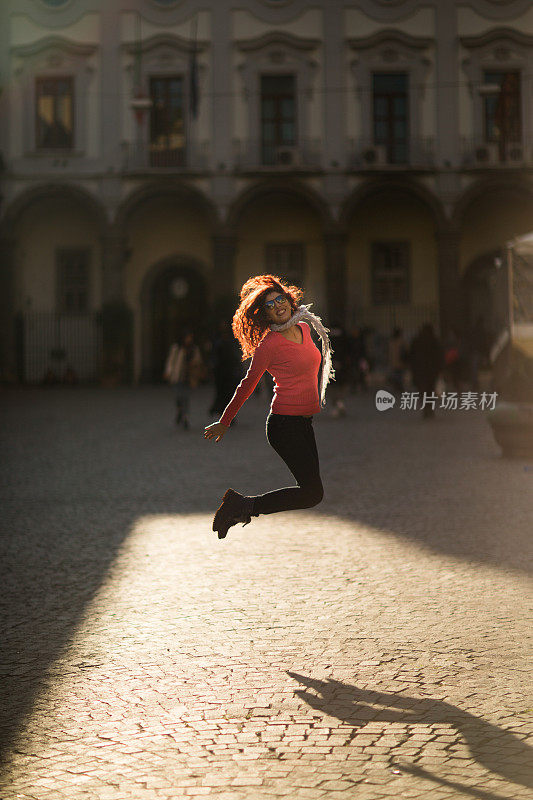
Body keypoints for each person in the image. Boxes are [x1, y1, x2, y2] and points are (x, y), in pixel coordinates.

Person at [204, 274, 335, 540]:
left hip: (303, 422)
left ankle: (241, 506)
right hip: (284, 425)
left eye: (280, 299)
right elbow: (248, 384)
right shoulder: (269, 345)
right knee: (312, 493)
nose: (277, 305)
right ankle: (241, 505)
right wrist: (225, 421)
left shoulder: (306, 328)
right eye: (269, 305)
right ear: (264, 315)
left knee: (312, 492)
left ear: (289, 298)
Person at [164, 331, 204, 430]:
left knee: (185, 397)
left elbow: (198, 361)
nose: (188, 340)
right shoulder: (176, 348)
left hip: (189, 377)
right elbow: (171, 361)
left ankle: (185, 417)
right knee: (178, 396)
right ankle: (180, 412)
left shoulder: (194, 349)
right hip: (178, 376)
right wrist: (168, 372)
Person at [408, 323, 445, 419]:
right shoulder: (434, 341)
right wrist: (440, 368)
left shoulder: (416, 341)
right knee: (430, 390)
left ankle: (425, 409)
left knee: (422, 391)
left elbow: (411, 355)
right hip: (432, 371)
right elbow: (440, 356)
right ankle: (430, 409)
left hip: (419, 370)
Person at [209, 320, 243, 419]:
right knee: (223, 392)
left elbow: (235, 355)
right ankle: (223, 411)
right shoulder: (218, 340)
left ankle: (227, 413)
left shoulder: (230, 340)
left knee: (229, 393)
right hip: (221, 371)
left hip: (229, 371)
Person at [387, 327, 408, 395]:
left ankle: (396, 385)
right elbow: (406, 350)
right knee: (400, 374)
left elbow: (389, 352)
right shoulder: (402, 341)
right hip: (400, 361)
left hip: (393, 361)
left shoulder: (391, 342)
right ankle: (399, 385)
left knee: (396, 374)